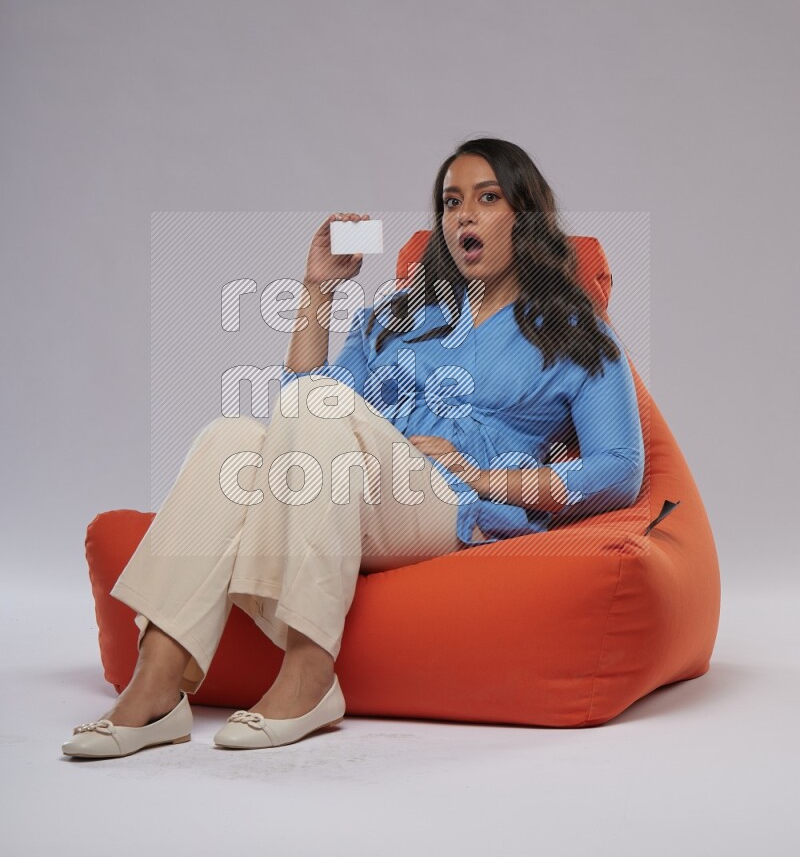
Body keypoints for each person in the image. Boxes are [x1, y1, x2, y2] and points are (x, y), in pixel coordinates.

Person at [61, 136, 645, 759]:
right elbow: (299, 406)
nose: (464, 216)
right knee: (228, 437)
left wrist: (483, 478)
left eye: (487, 198)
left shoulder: (575, 332)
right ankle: (156, 687)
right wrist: (317, 291)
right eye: (451, 203)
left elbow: (620, 470)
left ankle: (310, 673)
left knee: (315, 410)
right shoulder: (396, 317)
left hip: (448, 509)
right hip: (347, 495)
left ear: (523, 215)